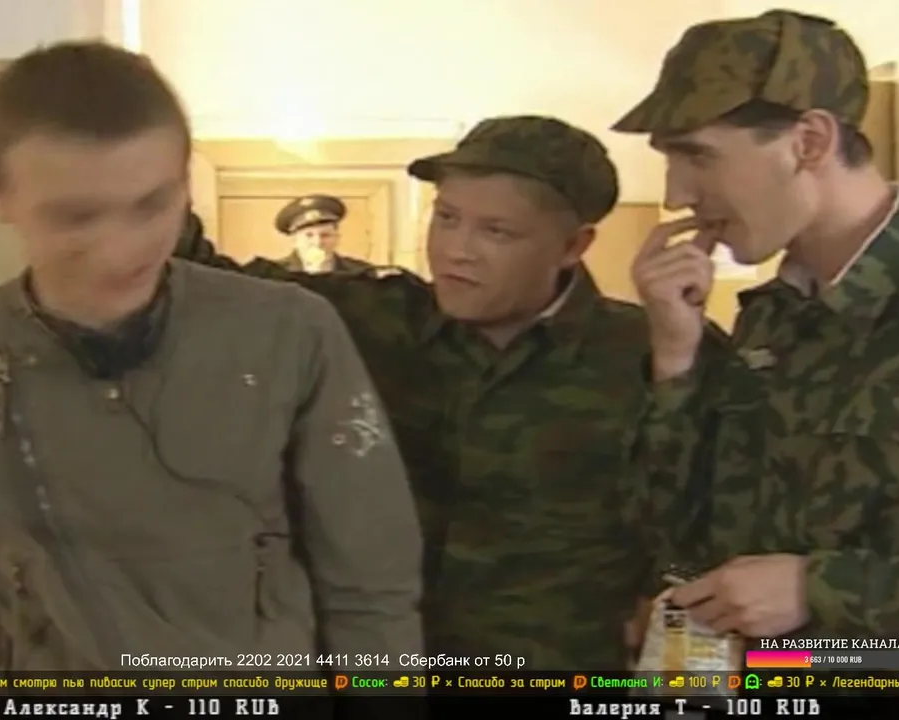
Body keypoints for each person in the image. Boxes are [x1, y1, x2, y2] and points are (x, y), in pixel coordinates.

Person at [0, 41, 423, 674]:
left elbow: (372, 594)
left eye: (152, 206)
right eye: (76, 217)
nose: (120, 249)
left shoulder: (290, 333)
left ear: (185, 185)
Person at [178, 116, 673, 670]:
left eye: (496, 232)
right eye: (447, 218)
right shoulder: (375, 318)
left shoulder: (647, 353)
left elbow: (698, 525)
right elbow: (212, 280)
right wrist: (149, 173)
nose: (456, 250)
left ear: (572, 246)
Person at [620, 10, 899, 647]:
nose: (677, 195)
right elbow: (675, 534)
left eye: (698, 156)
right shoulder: (770, 316)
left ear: (809, 142)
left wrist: (818, 587)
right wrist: (677, 361)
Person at [273, 194, 373, 273]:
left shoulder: (361, 272)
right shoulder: (274, 274)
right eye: (309, 235)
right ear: (294, 240)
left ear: (337, 238)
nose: (318, 242)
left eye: (325, 235)